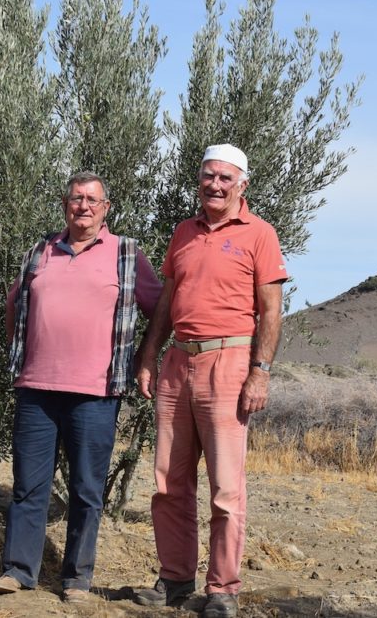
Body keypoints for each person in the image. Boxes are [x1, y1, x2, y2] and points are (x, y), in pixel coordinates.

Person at [0, 172, 162, 603]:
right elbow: (14, 305)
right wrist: (19, 352)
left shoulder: (125, 254)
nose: (82, 206)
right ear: (64, 204)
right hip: (37, 388)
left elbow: (160, 309)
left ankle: (77, 579)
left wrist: (145, 358)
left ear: (106, 208)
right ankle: (18, 571)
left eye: (92, 200)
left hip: (96, 392)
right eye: (75, 198)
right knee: (28, 485)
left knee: (87, 489)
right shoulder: (40, 250)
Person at [134, 144, 288, 618]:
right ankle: (176, 578)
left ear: (242, 184)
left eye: (225, 178)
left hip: (231, 360)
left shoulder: (260, 234)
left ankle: (222, 589)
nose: (215, 185)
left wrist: (259, 372)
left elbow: (272, 311)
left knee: (225, 487)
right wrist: (148, 355)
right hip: (179, 362)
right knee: (168, 482)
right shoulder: (183, 232)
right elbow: (166, 301)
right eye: (208, 176)